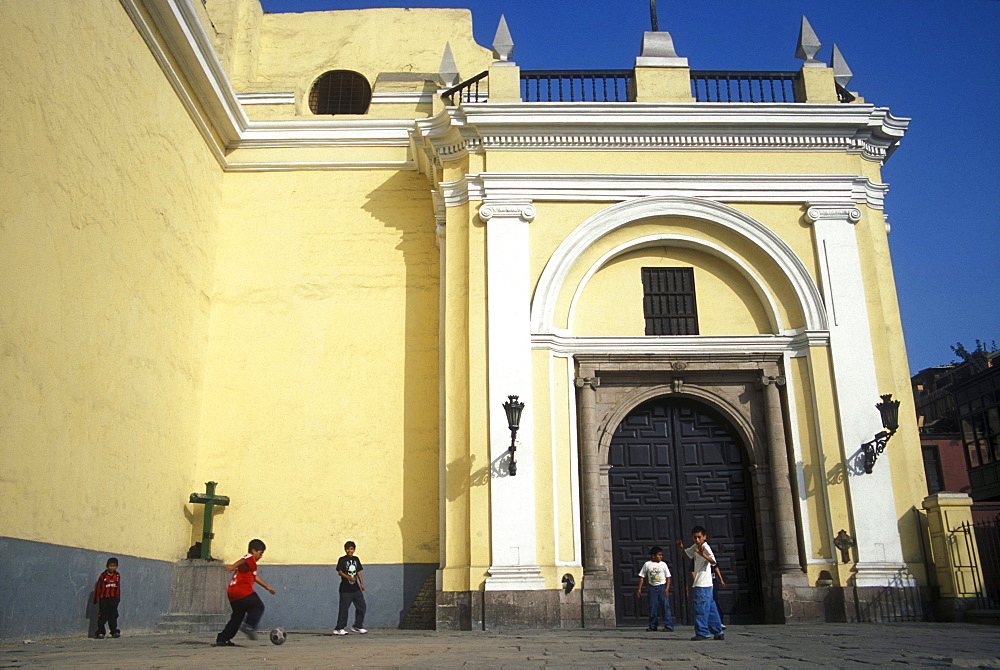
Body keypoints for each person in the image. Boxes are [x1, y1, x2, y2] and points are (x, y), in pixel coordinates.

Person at [215, 539, 276, 647]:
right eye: (260, 553)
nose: (261, 556)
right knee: (258, 606)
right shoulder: (250, 558)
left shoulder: (251, 565)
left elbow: (255, 577)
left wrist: (267, 587)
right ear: (253, 551)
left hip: (232, 592)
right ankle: (249, 626)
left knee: (237, 617)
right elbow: (244, 558)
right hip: (242, 591)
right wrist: (233, 566)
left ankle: (223, 638)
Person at [677, 526, 724, 641]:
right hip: (706, 584)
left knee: (700, 607)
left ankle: (702, 632)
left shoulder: (705, 547)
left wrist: (704, 555)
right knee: (711, 608)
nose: (697, 540)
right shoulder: (695, 547)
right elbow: (686, 554)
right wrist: (681, 548)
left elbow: (713, 561)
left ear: (704, 537)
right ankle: (718, 631)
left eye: (699, 537)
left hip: (702, 583)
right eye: (695, 537)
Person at [635, 545, 673, 632]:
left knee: (665, 606)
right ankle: (653, 625)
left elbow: (668, 577)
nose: (660, 557)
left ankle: (668, 625)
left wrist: (667, 589)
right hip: (652, 588)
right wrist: (639, 589)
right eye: (659, 555)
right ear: (653, 556)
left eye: (661, 555)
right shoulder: (647, 564)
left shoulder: (663, 564)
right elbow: (642, 577)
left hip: (662, 587)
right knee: (652, 607)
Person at [333, 540, 367, 635]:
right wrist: (348, 577)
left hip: (356, 589)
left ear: (354, 550)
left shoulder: (356, 559)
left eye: (351, 549)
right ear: (345, 550)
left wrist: (361, 583)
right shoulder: (342, 560)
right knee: (344, 609)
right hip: (345, 589)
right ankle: (339, 628)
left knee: (362, 606)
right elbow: (339, 572)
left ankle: (357, 626)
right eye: (348, 549)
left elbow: (358, 571)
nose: (350, 551)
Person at [93, 557, 121, 639]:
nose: (112, 567)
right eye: (110, 566)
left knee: (113, 615)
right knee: (102, 616)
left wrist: (117, 598)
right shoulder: (103, 576)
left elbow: (118, 588)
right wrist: (96, 599)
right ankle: (100, 632)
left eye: (114, 566)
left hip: (113, 599)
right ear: (107, 566)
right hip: (104, 599)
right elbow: (98, 588)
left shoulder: (117, 576)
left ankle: (114, 631)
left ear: (117, 567)